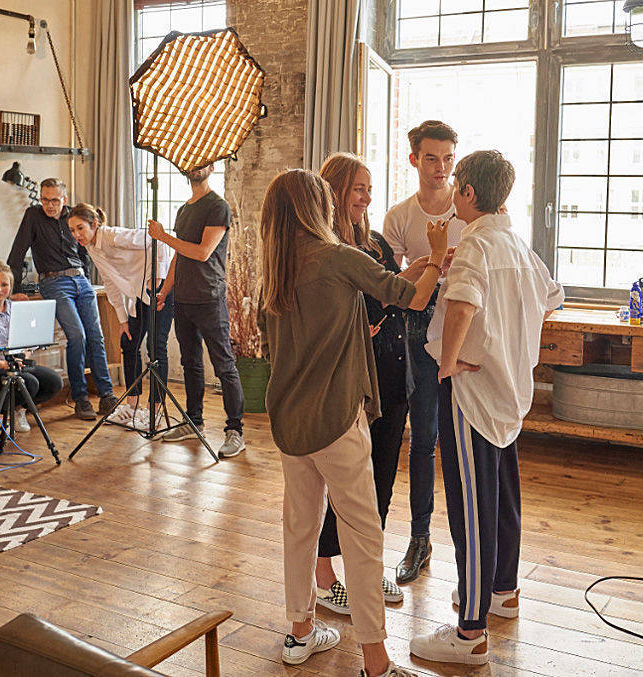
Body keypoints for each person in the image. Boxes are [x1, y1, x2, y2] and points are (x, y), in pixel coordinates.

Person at [258, 168, 447, 677]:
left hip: (289, 422)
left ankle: (300, 633)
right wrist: (437, 253)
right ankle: (376, 661)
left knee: (299, 528)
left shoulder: (273, 275)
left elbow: (277, 348)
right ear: (317, 208)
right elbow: (412, 297)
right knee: (363, 535)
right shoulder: (338, 258)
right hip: (337, 419)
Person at [408, 151, 563, 665]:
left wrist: (447, 363)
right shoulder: (516, 244)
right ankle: (502, 590)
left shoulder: (475, 243)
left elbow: (463, 305)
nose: (451, 191)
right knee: (501, 493)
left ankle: (470, 631)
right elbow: (548, 298)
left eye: (456, 183)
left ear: (469, 193)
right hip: (511, 390)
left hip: (474, 396)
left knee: (471, 510)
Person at [312, 153, 410, 615]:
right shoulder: (325, 247)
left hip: (392, 370)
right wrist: (390, 295)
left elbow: (389, 295)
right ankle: (324, 571)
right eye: (357, 188)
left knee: (382, 476)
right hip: (352, 378)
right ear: (333, 192)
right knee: (345, 479)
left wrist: (409, 278)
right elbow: (370, 308)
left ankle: (366, 570)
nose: (367, 198)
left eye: (369, 188)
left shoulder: (373, 242)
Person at [382, 120, 466, 584]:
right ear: (414, 159)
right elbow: (391, 289)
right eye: (432, 158)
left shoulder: (470, 210)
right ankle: (419, 538)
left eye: (448, 158)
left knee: (464, 442)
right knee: (422, 440)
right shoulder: (399, 217)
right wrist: (430, 263)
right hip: (414, 331)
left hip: (464, 327)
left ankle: (470, 547)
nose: (441, 168)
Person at [148, 164, 245, 458]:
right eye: (192, 163)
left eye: (203, 163)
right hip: (184, 299)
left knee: (224, 365)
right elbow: (180, 255)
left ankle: (235, 431)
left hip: (209, 298)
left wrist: (163, 236)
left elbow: (202, 252)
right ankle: (193, 421)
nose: (196, 168)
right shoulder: (183, 210)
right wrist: (164, 291)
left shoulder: (218, 207)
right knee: (191, 363)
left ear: (212, 167)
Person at [6, 178, 114, 421]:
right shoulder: (33, 216)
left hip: (82, 281)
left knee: (96, 336)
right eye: (45, 200)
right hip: (54, 282)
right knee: (77, 336)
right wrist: (15, 287)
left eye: (55, 200)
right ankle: (80, 398)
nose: (49, 205)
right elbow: (17, 252)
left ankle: (107, 396)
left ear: (64, 200)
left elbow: (85, 251)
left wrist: (91, 277)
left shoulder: (73, 217)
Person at [68, 202, 174, 426]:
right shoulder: (91, 248)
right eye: (72, 230)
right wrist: (122, 320)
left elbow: (159, 240)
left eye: (80, 228)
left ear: (94, 224)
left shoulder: (112, 236)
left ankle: (154, 410)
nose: (76, 234)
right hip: (140, 294)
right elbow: (110, 282)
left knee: (155, 348)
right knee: (129, 344)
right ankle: (132, 407)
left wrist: (157, 276)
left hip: (162, 290)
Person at [0, 262, 63, 432]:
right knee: (29, 383)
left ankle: (17, 410)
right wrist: (2, 364)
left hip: (14, 366)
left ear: (11, 286)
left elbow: (29, 343)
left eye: (4, 284)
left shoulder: (17, 310)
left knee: (54, 382)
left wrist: (25, 354)